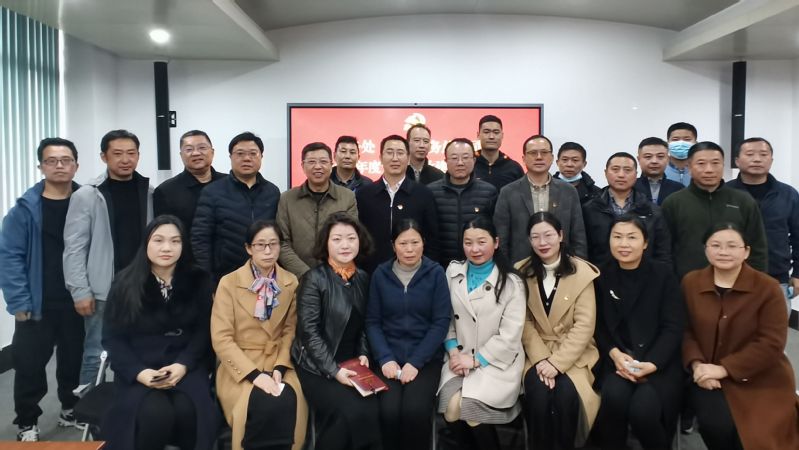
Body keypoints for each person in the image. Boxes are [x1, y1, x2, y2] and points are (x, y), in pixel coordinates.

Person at [101, 215, 219, 450]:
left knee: (188, 411)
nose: (167, 248)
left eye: (175, 241)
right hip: (140, 367)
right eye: (159, 240)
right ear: (146, 243)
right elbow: (113, 339)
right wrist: (140, 372)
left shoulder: (200, 280)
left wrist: (183, 364)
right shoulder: (125, 283)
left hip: (184, 365)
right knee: (156, 414)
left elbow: (204, 332)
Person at [682, 222, 799, 450]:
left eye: (732, 246)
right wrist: (697, 365)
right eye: (716, 245)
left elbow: (771, 343)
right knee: (717, 425)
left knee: (763, 433)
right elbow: (686, 331)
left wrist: (725, 368)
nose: (723, 251)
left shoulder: (768, 288)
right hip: (706, 373)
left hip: (761, 376)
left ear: (746, 251)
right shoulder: (691, 282)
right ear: (705, 249)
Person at [0, 138, 84, 441]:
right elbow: (9, 257)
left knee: (75, 360)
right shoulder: (24, 210)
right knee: (29, 364)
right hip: (37, 302)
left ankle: (70, 408)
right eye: (52, 160)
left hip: (78, 301)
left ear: (76, 165)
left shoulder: (88, 202)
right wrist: (19, 301)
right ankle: (27, 421)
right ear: (41, 166)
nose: (59, 166)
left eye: (66, 160)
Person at [63, 129, 154, 388]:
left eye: (131, 153)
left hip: (141, 285)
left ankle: (132, 402)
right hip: (103, 290)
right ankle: (88, 407)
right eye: (117, 154)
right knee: (96, 353)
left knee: (141, 349)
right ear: (104, 157)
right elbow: (74, 248)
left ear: (138, 155)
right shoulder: (87, 195)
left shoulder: (148, 191)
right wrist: (80, 291)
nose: (125, 159)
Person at [212, 220, 307, 450]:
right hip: (240, 364)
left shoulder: (290, 281)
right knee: (257, 404)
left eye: (273, 244)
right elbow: (222, 338)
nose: (268, 251)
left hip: (278, 360)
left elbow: (290, 330)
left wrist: (280, 366)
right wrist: (254, 375)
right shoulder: (229, 283)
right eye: (260, 245)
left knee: (289, 401)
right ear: (248, 248)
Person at [289, 213, 380, 450]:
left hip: (352, 363)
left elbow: (365, 324)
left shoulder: (363, 278)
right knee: (347, 412)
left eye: (351, 238)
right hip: (316, 367)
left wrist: (363, 354)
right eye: (337, 239)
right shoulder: (313, 279)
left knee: (372, 408)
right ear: (326, 243)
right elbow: (309, 333)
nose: (345, 245)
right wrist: (334, 371)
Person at [593, 215, 683, 450]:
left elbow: (673, 327)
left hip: (658, 362)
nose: (624, 244)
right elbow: (598, 325)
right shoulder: (601, 275)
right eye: (617, 237)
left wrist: (652, 363)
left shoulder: (663, 274)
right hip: (619, 360)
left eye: (632, 237)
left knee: (643, 411)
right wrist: (614, 353)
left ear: (645, 243)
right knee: (614, 399)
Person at [437, 216, 526, 450]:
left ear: (496, 242)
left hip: (496, 362)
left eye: (481, 242)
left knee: (469, 410)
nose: (474, 249)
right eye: (468, 243)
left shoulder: (512, 283)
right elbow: (445, 318)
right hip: (457, 356)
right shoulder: (453, 272)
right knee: (451, 407)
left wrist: (476, 360)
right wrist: (454, 352)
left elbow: (510, 335)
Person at [365, 219, 451, 450]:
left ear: (424, 243)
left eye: (415, 242)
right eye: (403, 243)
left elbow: (440, 322)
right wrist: (385, 358)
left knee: (415, 411)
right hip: (388, 358)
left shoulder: (436, 273)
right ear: (393, 245)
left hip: (425, 360)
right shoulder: (381, 274)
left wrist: (415, 362)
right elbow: (372, 322)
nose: (409, 249)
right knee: (388, 410)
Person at [518, 211, 600, 450]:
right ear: (529, 240)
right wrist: (543, 359)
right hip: (536, 352)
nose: (542, 242)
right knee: (538, 395)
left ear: (561, 235)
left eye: (548, 235)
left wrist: (557, 363)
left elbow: (584, 325)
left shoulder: (581, 272)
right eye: (535, 237)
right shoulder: (521, 272)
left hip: (573, 353)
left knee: (567, 397)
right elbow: (523, 322)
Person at [661, 141, 768, 279]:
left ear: (723, 165)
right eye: (701, 163)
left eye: (715, 163)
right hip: (686, 283)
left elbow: (758, 248)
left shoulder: (743, 201)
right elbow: (665, 250)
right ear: (689, 167)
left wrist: (755, 282)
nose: (709, 169)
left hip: (736, 283)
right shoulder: (674, 203)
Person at [192, 131, 281, 284]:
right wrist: (207, 281)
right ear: (230, 157)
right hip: (225, 277)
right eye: (240, 153)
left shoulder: (272, 192)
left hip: (266, 276)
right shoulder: (212, 192)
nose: (247, 158)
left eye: (253, 153)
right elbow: (200, 239)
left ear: (261, 156)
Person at [727, 137, 799, 312]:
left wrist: (797, 273)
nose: (757, 159)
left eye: (763, 154)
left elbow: (798, 236)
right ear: (737, 161)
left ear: (771, 160)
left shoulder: (788, 194)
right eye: (750, 154)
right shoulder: (724, 192)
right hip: (730, 276)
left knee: (775, 326)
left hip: (776, 277)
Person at [494, 134, 588, 264]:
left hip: (562, 266)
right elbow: (501, 238)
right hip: (521, 266)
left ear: (552, 158)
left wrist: (579, 267)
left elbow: (578, 237)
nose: (539, 157)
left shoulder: (568, 191)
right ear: (524, 158)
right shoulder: (508, 192)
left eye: (544, 152)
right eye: (533, 153)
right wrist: (505, 270)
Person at [356, 134, 439, 272]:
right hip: (372, 272)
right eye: (389, 153)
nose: (395, 158)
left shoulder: (423, 194)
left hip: (414, 273)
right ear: (380, 158)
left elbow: (432, 239)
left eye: (400, 153)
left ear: (408, 158)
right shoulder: (364, 195)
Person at [277, 141, 358, 278]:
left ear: (331, 165)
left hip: (337, 277)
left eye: (323, 161)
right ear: (303, 166)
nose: (318, 166)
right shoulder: (287, 199)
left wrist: (331, 274)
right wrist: (307, 274)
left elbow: (350, 239)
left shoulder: (347, 197)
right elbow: (282, 242)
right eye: (311, 162)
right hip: (297, 278)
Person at [582, 152, 671, 267]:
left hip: (643, 274)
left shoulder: (652, 211)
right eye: (615, 169)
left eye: (627, 170)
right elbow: (583, 248)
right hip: (600, 274)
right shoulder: (589, 209)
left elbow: (663, 252)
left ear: (636, 174)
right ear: (606, 173)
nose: (621, 175)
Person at [427, 138, 497, 265]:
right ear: (446, 161)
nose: (460, 163)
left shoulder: (489, 192)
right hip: (439, 265)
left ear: (474, 160)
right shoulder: (431, 192)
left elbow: (494, 230)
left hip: (477, 263)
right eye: (454, 158)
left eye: (465, 157)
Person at [153, 130, 226, 246]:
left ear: (212, 152)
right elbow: (164, 234)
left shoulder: (230, 184)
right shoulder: (165, 191)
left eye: (202, 148)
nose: (196, 153)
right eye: (189, 149)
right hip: (187, 255)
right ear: (181, 155)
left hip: (228, 255)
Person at [473, 115, 524, 191]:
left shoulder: (514, 168)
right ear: (478, 135)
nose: (491, 136)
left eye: (496, 132)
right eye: (486, 132)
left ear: (502, 135)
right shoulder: (469, 165)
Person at [634, 137, 683, 205]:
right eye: (648, 157)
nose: (654, 161)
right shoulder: (630, 187)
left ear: (668, 159)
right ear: (639, 159)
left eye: (660, 156)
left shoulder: (679, 189)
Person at [664, 122, 697, 186]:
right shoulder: (659, 169)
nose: (681, 143)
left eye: (687, 139)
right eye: (675, 139)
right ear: (667, 143)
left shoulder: (701, 169)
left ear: (695, 143)